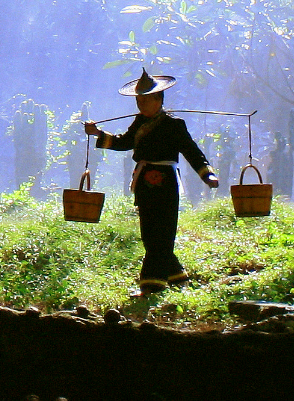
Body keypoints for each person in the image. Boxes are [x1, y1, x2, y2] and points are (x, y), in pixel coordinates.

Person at [84, 68, 219, 295]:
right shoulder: (138, 123)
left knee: (163, 233)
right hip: (144, 185)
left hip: (166, 183)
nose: (140, 104)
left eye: (145, 100)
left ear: (158, 99)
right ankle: (179, 280)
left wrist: (207, 175)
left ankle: (151, 286)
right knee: (150, 233)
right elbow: (124, 142)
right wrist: (98, 133)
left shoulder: (174, 125)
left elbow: (191, 151)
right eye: (138, 100)